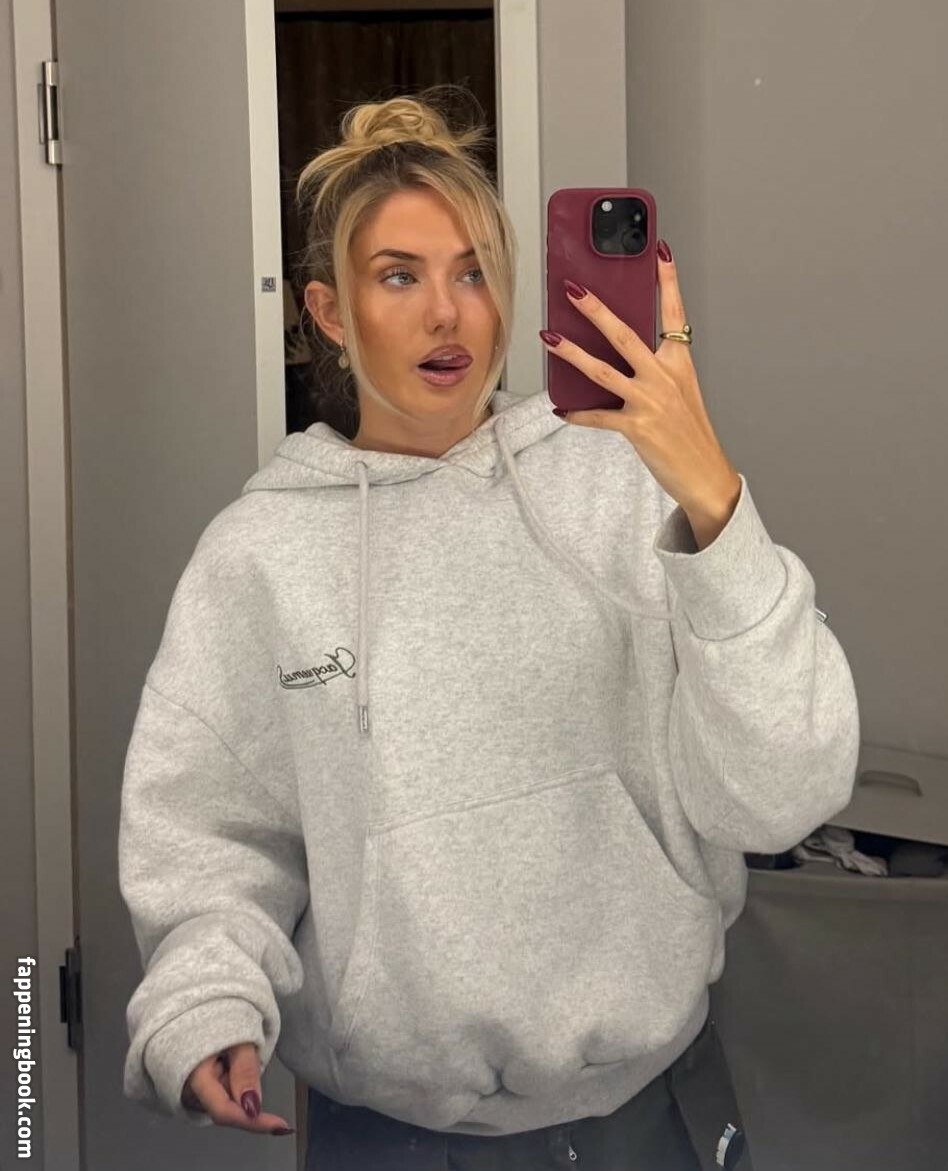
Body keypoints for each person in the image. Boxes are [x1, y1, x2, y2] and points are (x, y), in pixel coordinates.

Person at [119, 85, 861, 1169]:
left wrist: (712, 498)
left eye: (473, 272)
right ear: (330, 311)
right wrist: (206, 1003)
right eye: (399, 276)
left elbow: (786, 791)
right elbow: (212, 842)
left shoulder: (622, 484)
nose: (448, 314)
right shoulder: (258, 557)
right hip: (393, 1139)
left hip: (652, 1110)